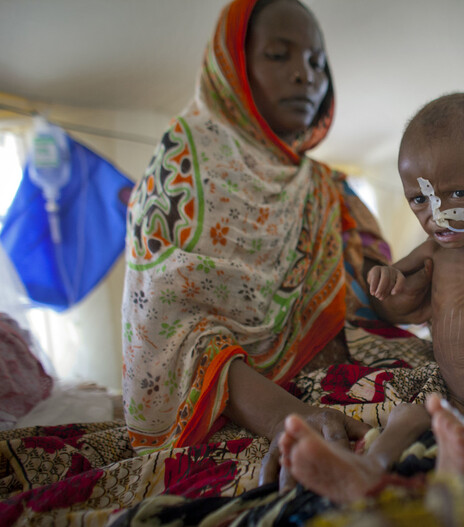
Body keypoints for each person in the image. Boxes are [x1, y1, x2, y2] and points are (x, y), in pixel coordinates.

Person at [122, 0, 435, 486]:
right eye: (278, 55)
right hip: (243, 409)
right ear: (233, 68)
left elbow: (377, 300)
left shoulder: (330, 190)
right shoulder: (184, 164)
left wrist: (406, 298)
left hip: (352, 372)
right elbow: (168, 321)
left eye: (315, 62)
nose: (304, 76)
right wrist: (287, 418)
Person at [278, 93, 464, 504]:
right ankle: (368, 467)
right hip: (451, 400)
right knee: (407, 416)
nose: (436, 214)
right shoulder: (431, 250)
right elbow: (391, 283)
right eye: (419, 199)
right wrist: (384, 276)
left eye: (457, 194)